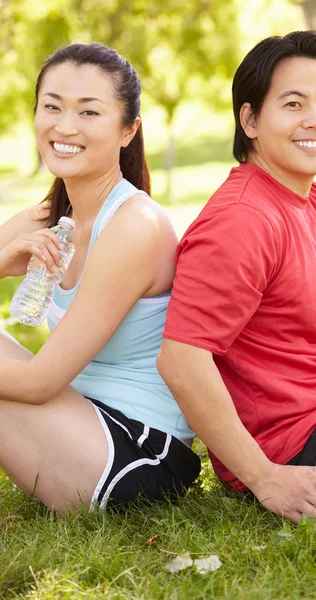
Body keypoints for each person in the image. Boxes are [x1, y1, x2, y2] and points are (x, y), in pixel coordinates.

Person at [157, 30, 316, 526]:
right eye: (294, 104)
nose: (315, 121)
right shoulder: (241, 220)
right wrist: (264, 477)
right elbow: (181, 360)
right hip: (305, 440)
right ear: (250, 119)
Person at [0, 43, 200, 513]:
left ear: (128, 130)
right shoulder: (50, 215)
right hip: (78, 419)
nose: (64, 127)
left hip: (136, 454)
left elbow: (38, 384)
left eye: (89, 112)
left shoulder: (135, 226)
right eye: (51, 106)